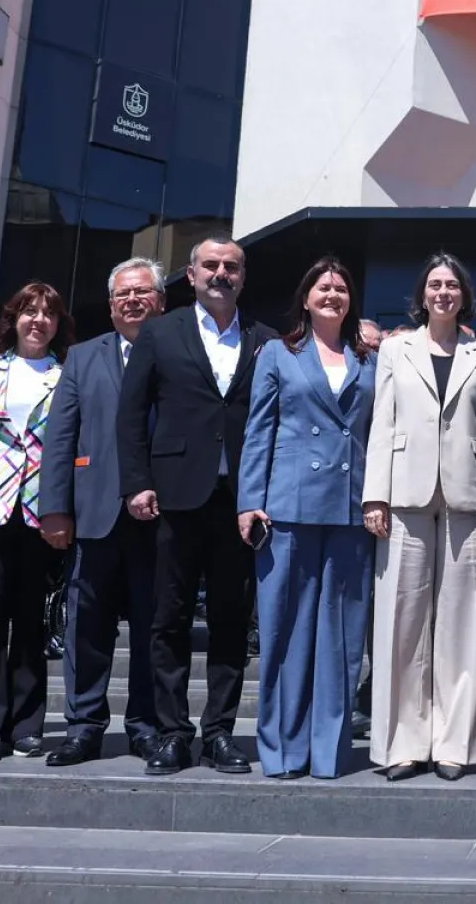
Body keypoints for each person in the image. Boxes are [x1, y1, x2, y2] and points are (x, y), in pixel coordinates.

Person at [120, 237, 274, 777]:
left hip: (240, 504)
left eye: (232, 266)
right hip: (175, 496)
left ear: (243, 277)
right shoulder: (160, 333)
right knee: (170, 618)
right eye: (211, 265)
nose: (221, 273)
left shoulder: (265, 339)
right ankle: (172, 733)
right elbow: (131, 414)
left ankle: (219, 733)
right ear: (191, 274)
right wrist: (136, 483)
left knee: (232, 622)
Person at [238, 257, 376, 780]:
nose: (333, 294)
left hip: (350, 508)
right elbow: (259, 430)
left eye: (341, 287)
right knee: (286, 633)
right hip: (288, 508)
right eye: (323, 286)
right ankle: (282, 749)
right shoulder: (278, 352)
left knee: (342, 638)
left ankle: (328, 752)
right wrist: (249, 500)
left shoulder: (370, 359)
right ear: (305, 296)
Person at [363, 253, 476, 780]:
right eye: (435, 284)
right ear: (422, 295)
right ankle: (403, 743)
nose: (443, 292)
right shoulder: (395, 350)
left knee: (466, 621)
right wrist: (375, 495)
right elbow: (381, 421)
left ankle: (455, 743)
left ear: (464, 295)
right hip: (404, 492)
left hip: (468, 495)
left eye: (452, 285)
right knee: (401, 619)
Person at [41, 258, 167, 766]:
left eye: (142, 292)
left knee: (153, 628)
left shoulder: (180, 352)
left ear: (161, 301)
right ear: (111, 305)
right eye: (122, 294)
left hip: (161, 515)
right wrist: (55, 507)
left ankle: (145, 726)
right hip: (94, 511)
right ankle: (84, 726)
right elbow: (61, 436)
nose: (132, 301)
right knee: (87, 627)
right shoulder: (82, 356)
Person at [0, 283, 70, 761]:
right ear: (14, 318)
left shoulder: (68, 376)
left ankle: (27, 722)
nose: (38, 320)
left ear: (58, 324)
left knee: (30, 620)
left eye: (48, 313)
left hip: (42, 509)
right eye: (29, 311)